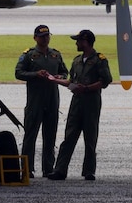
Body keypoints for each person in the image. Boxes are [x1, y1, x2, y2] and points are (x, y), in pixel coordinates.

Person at [47, 29, 112, 181]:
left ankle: (89, 171)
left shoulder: (99, 60)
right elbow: (71, 82)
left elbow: (106, 81)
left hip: (91, 102)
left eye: (78, 41)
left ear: (86, 42)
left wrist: (87, 88)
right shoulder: (76, 61)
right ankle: (60, 170)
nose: (76, 43)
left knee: (90, 138)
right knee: (69, 136)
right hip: (76, 102)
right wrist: (54, 80)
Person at [14, 24, 69, 178]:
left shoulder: (55, 55)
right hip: (35, 101)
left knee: (50, 135)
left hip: (52, 100)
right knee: (30, 135)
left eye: (47, 36)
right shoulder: (29, 55)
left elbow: (64, 71)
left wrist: (60, 77)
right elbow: (18, 73)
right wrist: (35, 74)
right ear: (35, 38)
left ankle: (48, 168)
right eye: (42, 36)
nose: (45, 39)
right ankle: (27, 168)